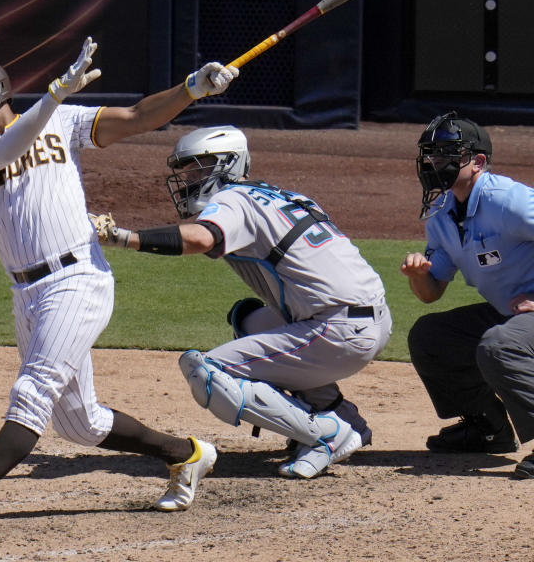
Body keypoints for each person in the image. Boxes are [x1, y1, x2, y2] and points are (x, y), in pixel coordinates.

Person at [0, 37, 239, 537]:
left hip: (78, 280)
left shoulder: (62, 119)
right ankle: (185, 455)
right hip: (26, 295)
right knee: (80, 423)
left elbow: (139, 116)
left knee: (31, 393)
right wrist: (52, 95)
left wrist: (191, 90)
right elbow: (11, 145)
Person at [91, 125, 391, 479]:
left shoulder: (232, 199)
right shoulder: (280, 195)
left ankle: (326, 435)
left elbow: (203, 238)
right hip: (367, 319)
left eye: (197, 167)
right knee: (247, 318)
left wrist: (123, 237)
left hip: (336, 330)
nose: (188, 179)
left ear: (227, 165)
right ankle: (341, 415)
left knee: (207, 371)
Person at [400, 111, 534, 480]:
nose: (434, 163)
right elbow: (431, 293)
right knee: (432, 336)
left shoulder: (509, 202)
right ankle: (487, 428)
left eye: (446, 154)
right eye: (430, 154)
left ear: (478, 162)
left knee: (500, 345)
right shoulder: (442, 215)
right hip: (513, 314)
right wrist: (417, 276)